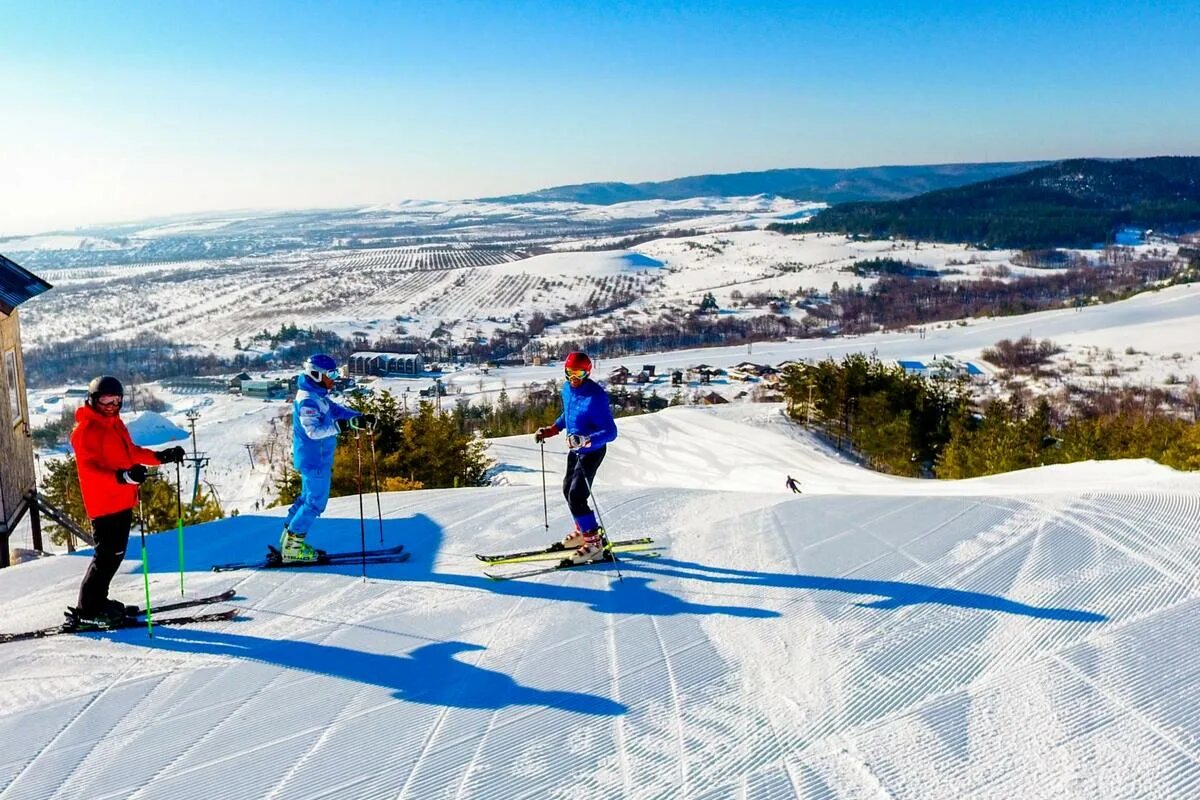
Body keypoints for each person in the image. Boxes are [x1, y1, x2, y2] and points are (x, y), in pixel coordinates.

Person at [69, 376, 186, 625]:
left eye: (116, 400)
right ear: (92, 400)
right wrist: (122, 477)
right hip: (104, 503)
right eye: (105, 400)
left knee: (114, 555)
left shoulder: (114, 424)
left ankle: (99, 600)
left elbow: (130, 452)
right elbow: (89, 470)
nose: (111, 405)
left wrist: (160, 456)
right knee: (106, 556)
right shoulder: (86, 431)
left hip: (121, 499)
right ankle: (88, 609)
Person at [280, 354, 371, 562]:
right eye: (331, 374)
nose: (335, 378)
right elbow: (313, 431)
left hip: (314, 458)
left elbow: (335, 410)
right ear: (316, 374)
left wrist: (357, 417)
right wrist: (341, 426)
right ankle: (293, 548)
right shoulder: (307, 401)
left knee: (306, 499)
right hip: (314, 459)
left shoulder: (316, 394)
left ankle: (289, 541)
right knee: (314, 503)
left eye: (336, 372)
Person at [534, 351, 618, 564]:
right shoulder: (567, 390)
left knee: (577, 496)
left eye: (579, 373)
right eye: (570, 372)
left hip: (592, 451)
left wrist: (586, 440)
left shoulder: (596, 396)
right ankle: (583, 531)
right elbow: (569, 416)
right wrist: (552, 430)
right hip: (575, 450)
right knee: (567, 490)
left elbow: (610, 432)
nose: (574, 377)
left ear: (587, 372)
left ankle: (594, 544)